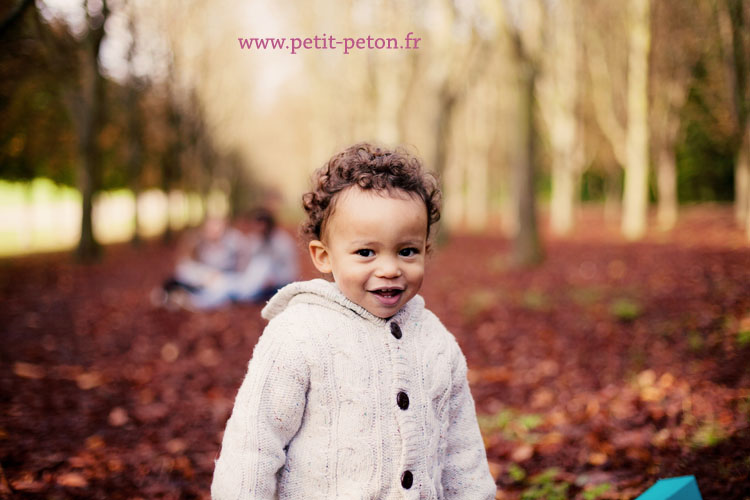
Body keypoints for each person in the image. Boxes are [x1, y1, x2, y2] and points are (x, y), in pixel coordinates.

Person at [211, 143, 496, 499]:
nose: (390, 268)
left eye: (407, 251)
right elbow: (253, 445)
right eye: (366, 252)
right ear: (324, 256)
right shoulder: (298, 334)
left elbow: (462, 453)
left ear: (426, 249)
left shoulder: (438, 343)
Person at [188, 208, 298, 309]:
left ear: (268, 225)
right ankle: (197, 299)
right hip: (255, 283)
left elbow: (290, 271)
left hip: (277, 285)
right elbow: (247, 266)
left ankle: (198, 302)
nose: (258, 229)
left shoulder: (282, 242)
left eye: (261, 225)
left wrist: (275, 280)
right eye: (256, 225)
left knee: (259, 267)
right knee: (226, 285)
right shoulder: (255, 241)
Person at [152, 215, 245, 307]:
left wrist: (221, 274)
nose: (214, 230)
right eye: (211, 227)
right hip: (202, 276)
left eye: (217, 226)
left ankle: (187, 300)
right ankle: (171, 294)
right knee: (185, 272)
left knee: (221, 288)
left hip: (223, 279)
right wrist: (204, 275)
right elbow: (185, 263)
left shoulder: (234, 241)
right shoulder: (198, 242)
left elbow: (241, 264)